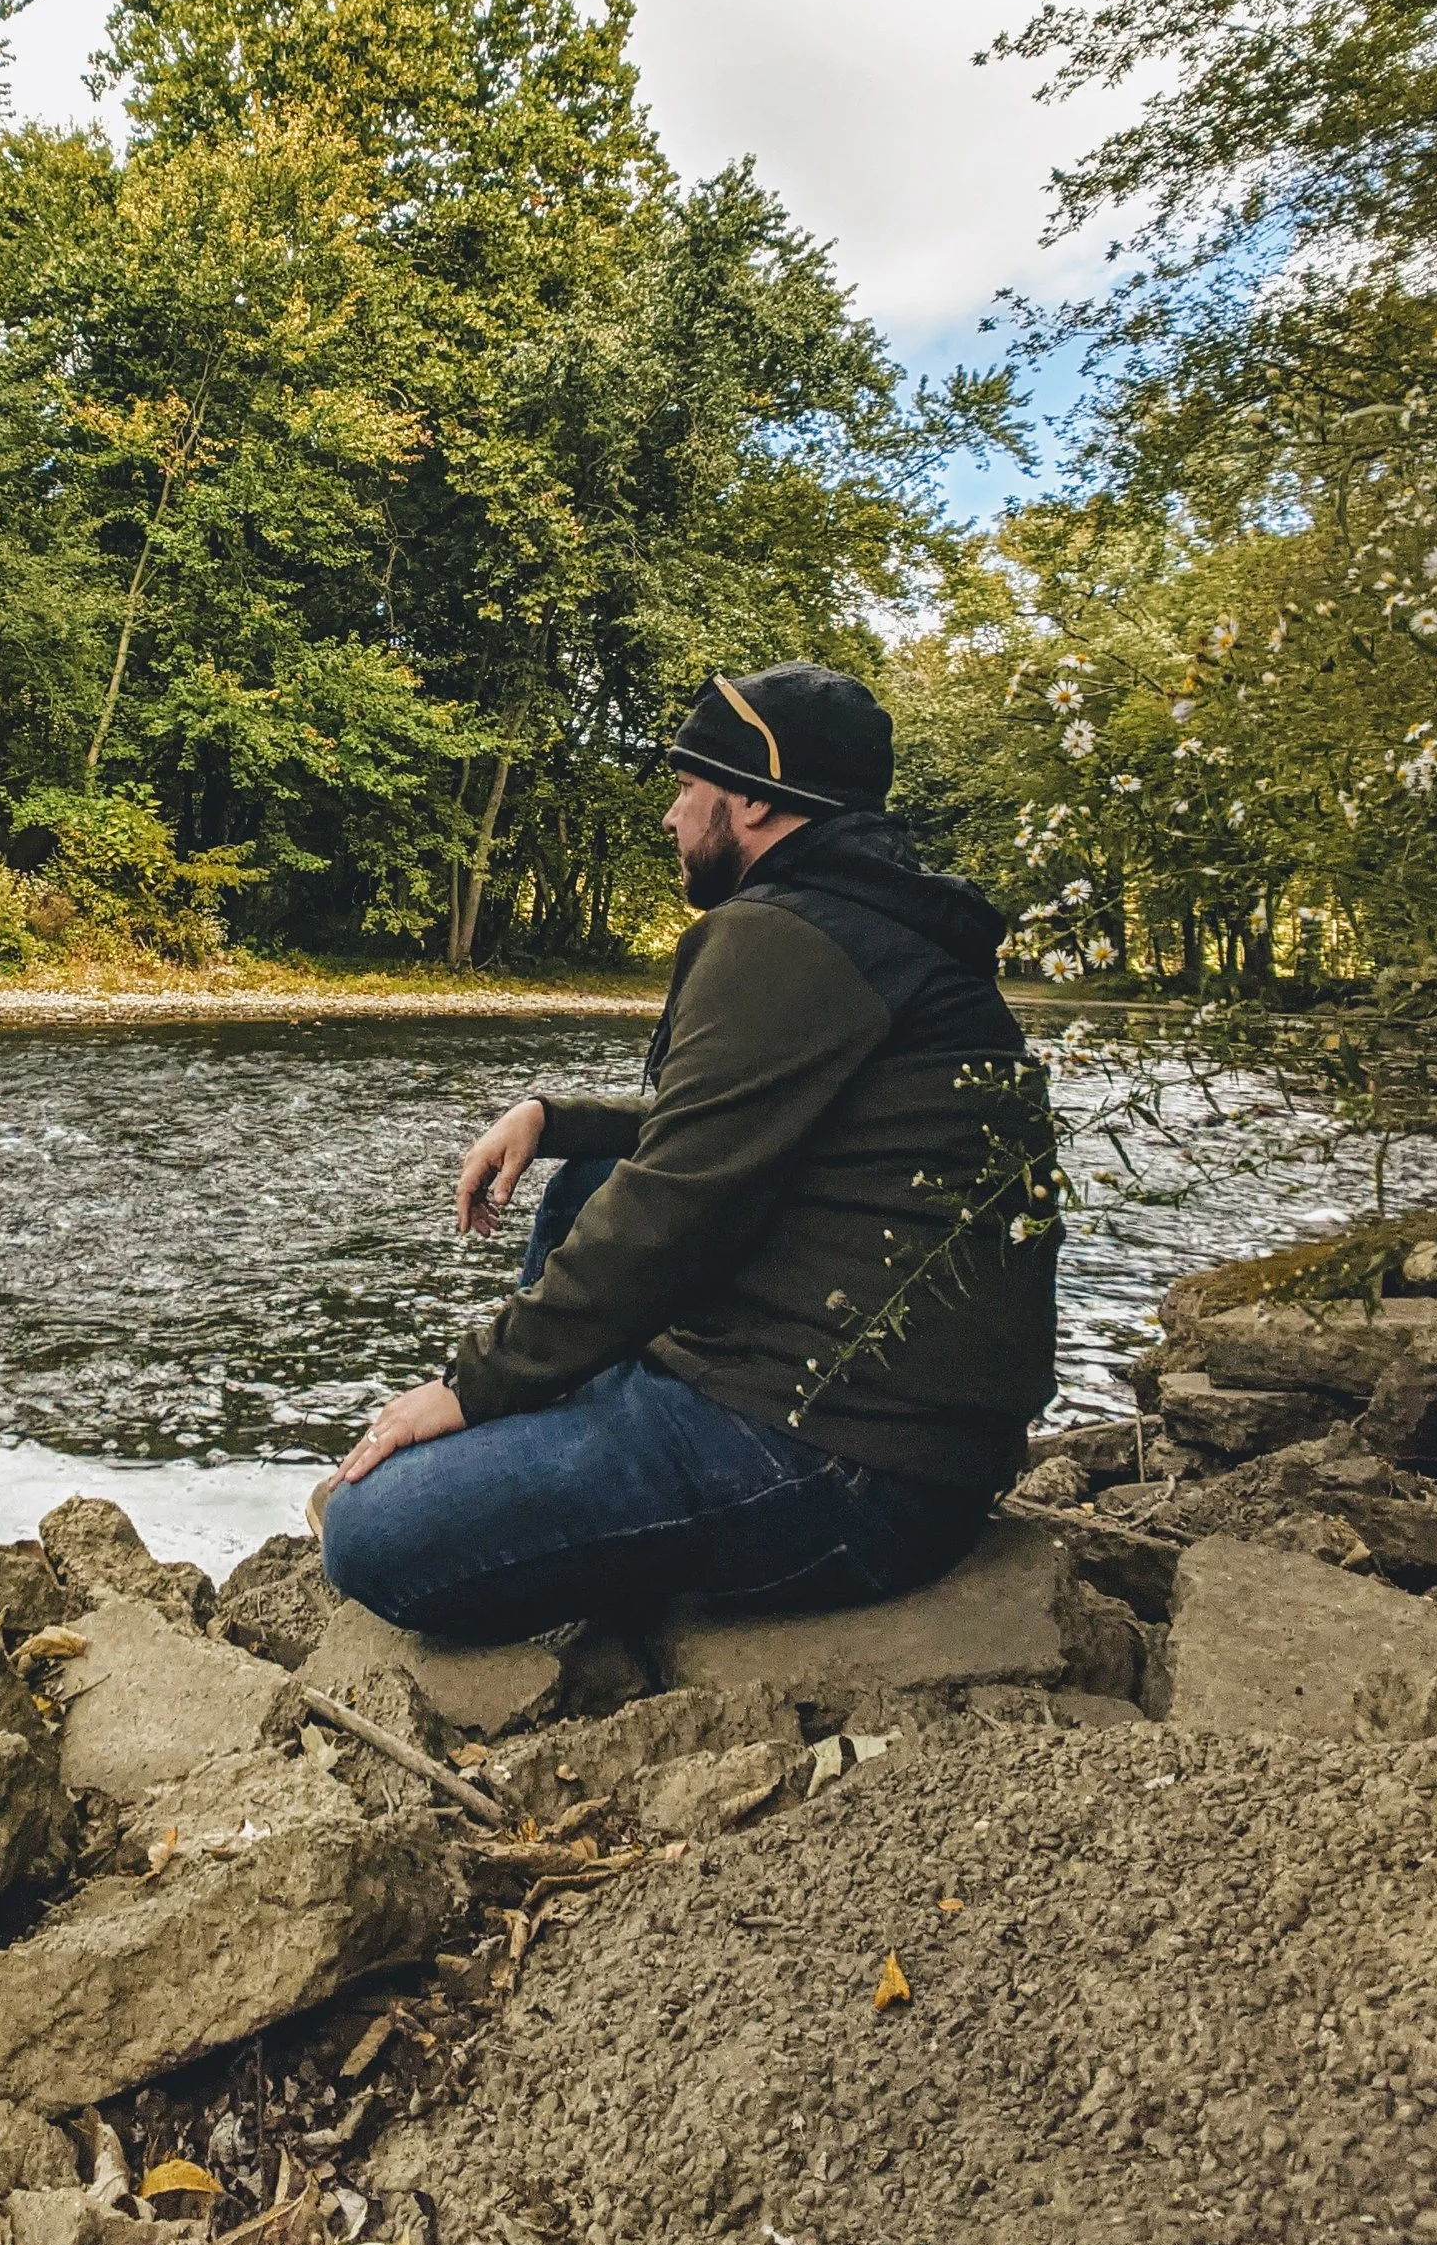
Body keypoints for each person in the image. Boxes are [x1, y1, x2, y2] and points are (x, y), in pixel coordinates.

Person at [317, 661, 1059, 1641]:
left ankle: (577, 1479)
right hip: (896, 1444)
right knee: (589, 1177)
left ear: (751, 797)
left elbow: (671, 1206)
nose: (671, 816)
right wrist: (558, 1117)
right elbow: (737, 1128)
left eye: (686, 786)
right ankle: (574, 1449)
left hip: (844, 1472)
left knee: (372, 1533)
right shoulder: (869, 924)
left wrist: (469, 1387)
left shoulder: (783, 936)